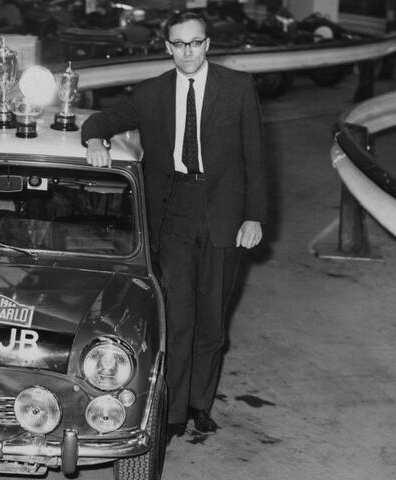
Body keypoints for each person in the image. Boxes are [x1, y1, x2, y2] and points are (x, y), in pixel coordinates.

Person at [81, 11, 267, 443]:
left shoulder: (237, 88)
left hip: (224, 210)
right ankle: (175, 411)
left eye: (195, 43)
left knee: (212, 319)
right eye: (178, 44)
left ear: (207, 44)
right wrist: (93, 140)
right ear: (167, 47)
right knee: (178, 317)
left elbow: (256, 157)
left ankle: (202, 404)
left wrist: (254, 216)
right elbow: (100, 122)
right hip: (173, 212)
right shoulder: (149, 94)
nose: (187, 51)